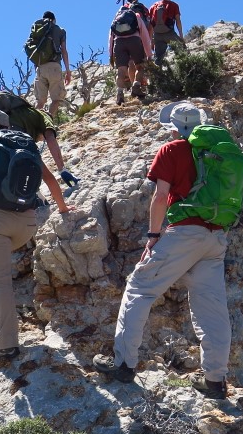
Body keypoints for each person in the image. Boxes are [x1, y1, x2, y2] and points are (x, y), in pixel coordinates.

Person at [93, 103, 233, 398]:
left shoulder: (171, 150)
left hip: (183, 234)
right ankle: (216, 381)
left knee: (139, 289)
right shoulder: (218, 152)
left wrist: (154, 235)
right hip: (216, 237)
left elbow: (159, 198)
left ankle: (124, 364)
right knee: (212, 309)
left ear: (173, 127)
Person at [0, 109, 73, 361]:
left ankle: (7, 345)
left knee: (1, 281)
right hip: (26, 223)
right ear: (8, 124)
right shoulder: (25, 144)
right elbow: (49, 180)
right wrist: (64, 208)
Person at [0, 89, 71, 176]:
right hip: (13, 123)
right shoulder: (44, 116)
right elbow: (50, 138)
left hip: (5, 122)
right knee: (24, 156)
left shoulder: (29, 114)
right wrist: (62, 169)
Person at [108, 0, 152, 104]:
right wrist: (149, 54)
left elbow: (111, 35)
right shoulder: (137, 13)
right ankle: (136, 85)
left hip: (119, 43)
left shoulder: (118, 15)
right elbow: (145, 33)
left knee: (121, 71)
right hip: (135, 40)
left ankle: (120, 93)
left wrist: (111, 54)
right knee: (140, 66)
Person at [27, 11, 71, 118]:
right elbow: (64, 50)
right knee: (56, 99)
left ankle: (35, 126)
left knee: (40, 102)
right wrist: (68, 70)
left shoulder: (37, 30)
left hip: (40, 68)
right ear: (54, 20)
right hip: (54, 66)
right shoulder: (60, 30)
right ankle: (48, 124)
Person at [147, 0, 184, 65]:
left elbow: (150, 25)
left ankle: (157, 75)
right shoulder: (174, 5)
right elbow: (178, 21)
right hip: (169, 33)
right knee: (182, 51)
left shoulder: (153, 7)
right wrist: (181, 35)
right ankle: (187, 70)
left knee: (158, 58)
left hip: (157, 35)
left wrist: (151, 41)